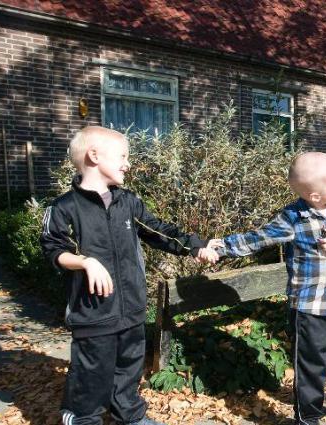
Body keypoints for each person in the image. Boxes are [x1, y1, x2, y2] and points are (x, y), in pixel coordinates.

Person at [40, 126, 220, 425]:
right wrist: (86, 262)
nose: (128, 163)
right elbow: (54, 248)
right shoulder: (64, 208)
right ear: (94, 156)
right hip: (93, 313)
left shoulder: (128, 202)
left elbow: (159, 231)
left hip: (131, 308)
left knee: (129, 367)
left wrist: (196, 246)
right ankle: (82, 418)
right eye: (123, 156)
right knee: (92, 372)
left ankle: (130, 416)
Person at [209, 152, 326, 425]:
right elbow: (257, 238)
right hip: (309, 308)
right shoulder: (293, 218)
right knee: (311, 366)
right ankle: (308, 418)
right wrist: (219, 247)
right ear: (314, 195)